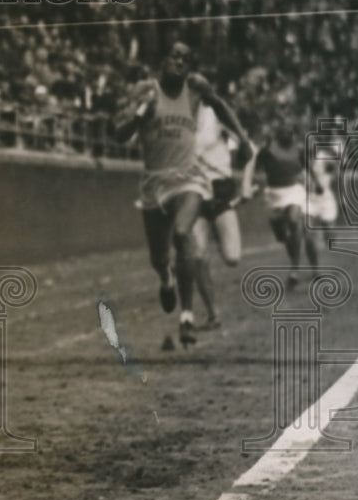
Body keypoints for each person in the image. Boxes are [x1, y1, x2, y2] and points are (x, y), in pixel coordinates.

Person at [113, 42, 252, 351]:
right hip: (154, 185)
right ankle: (166, 280)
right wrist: (140, 114)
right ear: (163, 61)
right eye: (174, 56)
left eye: (186, 59)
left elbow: (219, 105)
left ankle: (187, 316)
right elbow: (119, 134)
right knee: (159, 259)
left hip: (189, 180)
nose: (180, 62)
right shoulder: (145, 90)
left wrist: (241, 136)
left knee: (183, 232)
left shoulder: (194, 89)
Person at [189, 102, 255, 330]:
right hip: (194, 192)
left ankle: (219, 233)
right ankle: (212, 314)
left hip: (221, 191)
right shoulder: (176, 119)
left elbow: (250, 150)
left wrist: (245, 184)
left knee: (232, 257)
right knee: (197, 257)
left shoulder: (215, 115)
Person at [253, 122, 320, 288]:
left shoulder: (299, 150)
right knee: (283, 236)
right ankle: (296, 266)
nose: (288, 136)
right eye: (283, 133)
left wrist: (317, 184)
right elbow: (254, 168)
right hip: (274, 195)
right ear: (277, 136)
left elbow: (308, 168)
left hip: (296, 191)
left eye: (290, 133)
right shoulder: (267, 151)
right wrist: (252, 184)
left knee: (299, 225)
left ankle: (304, 270)